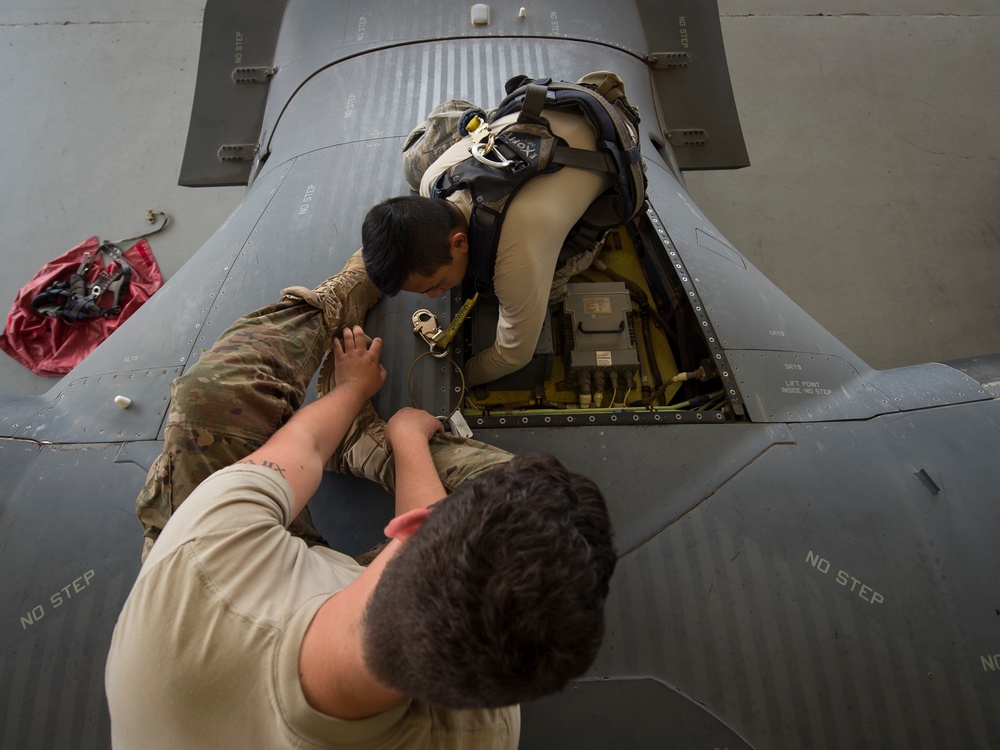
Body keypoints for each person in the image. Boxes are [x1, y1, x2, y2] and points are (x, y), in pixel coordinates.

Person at [104, 251, 617, 749]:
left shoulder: (204, 554)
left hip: (249, 580)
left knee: (210, 396)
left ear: (408, 524)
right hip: (330, 588)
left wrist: (357, 394)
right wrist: (411, 445)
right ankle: (366, 449)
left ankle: (333, 317)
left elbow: (301, 446)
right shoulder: (481, 734)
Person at [361, 89, 615, 387]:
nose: (435, 297)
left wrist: (458, 379)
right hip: (557, 111)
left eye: (436, 285)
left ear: (459, 243)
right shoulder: (434, 180)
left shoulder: (515, 263)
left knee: (542, 289)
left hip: (609, 143)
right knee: (413, 168)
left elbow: (512, 356)